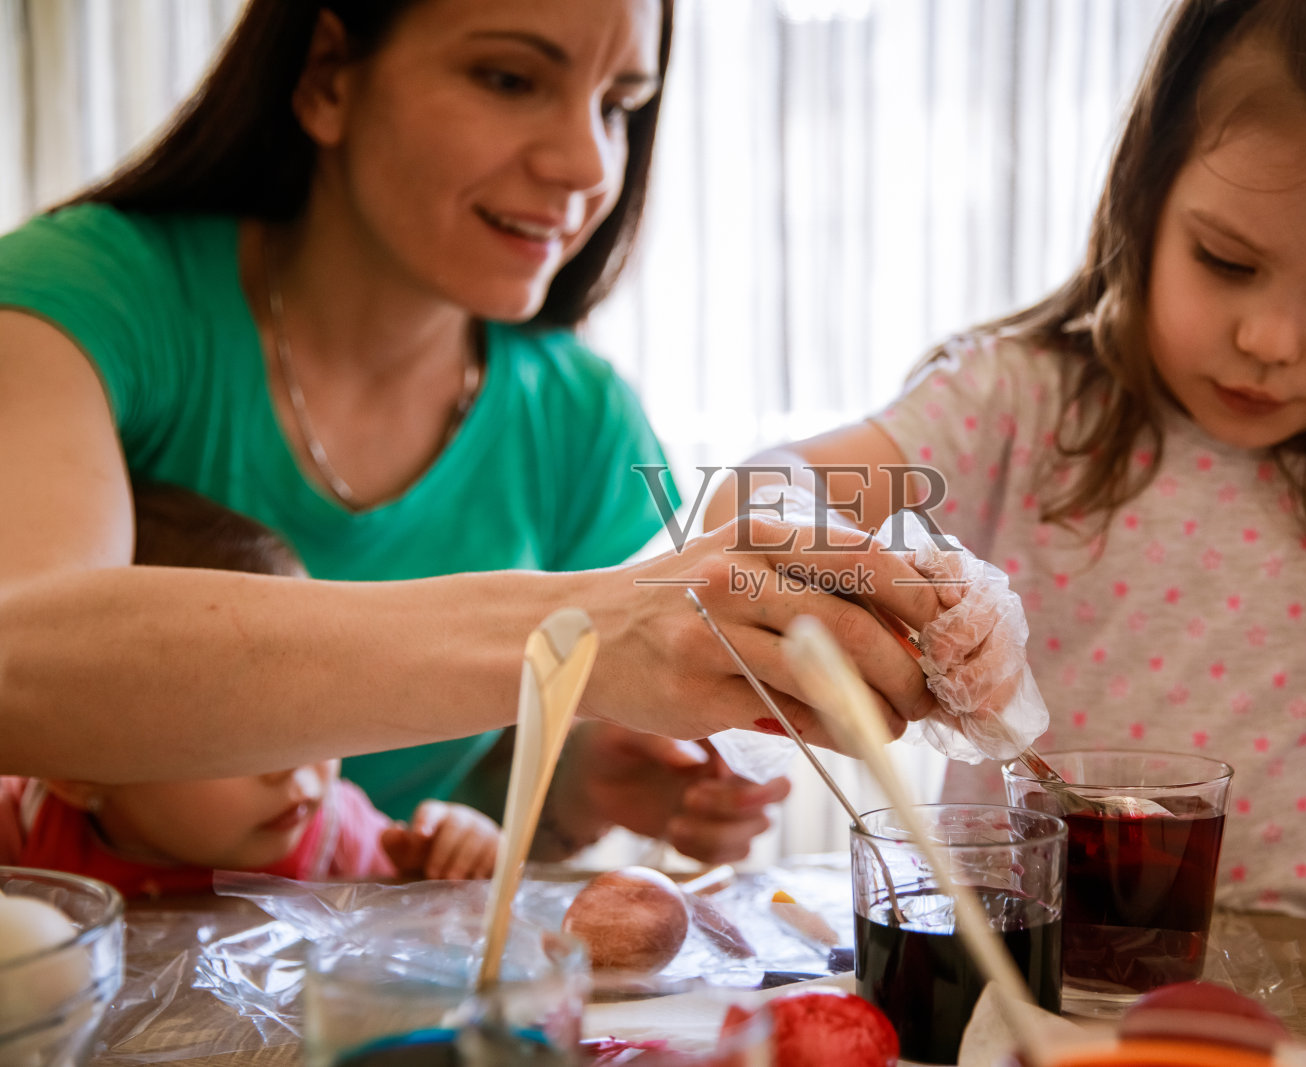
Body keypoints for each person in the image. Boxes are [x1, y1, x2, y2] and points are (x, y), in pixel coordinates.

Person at [708, 0, 1306, 948]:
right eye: (1226, 261)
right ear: (1147, 190)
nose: (1270, 339)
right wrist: (809, 549)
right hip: (1028, 957)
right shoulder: (1021, 400)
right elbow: (758, 492)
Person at [0, 0, 940, 862]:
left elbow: (425, 817)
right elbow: (18, 656)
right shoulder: (81, 299)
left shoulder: (579, 414)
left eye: (618, 105)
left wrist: (575, 784)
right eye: (510, 78)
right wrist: (591, 633)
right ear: (328, 78)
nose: (587, 164)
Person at [0, 483, 502, 898]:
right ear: (77, 774)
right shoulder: (23, 824)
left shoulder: (337, 836)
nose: (294, 757)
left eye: (312, 706)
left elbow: (418, 916)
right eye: (240, 727)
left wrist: (455, 855)